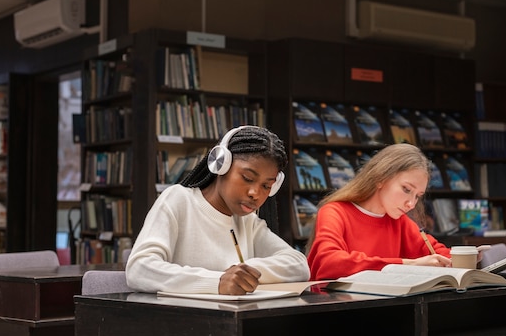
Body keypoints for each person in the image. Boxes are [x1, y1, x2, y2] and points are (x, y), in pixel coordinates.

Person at [126, 125, 310, 295]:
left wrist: (243, 272)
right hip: (178, 321)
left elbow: (298, 265)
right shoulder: (179, 200)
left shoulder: (247, 221)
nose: (255, 193)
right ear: (220, 164)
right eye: (247, 178)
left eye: (266, 186)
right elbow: (139, 268)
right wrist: (217, 281)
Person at [307, 143, 452, 281]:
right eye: (406, 189)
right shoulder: (335, 212)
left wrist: (470, 256)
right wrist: (408, 265)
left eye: (417, 196)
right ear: (381, 178)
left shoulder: (400, 222)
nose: (411, 204)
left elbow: (441, 255)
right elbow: (329, 263)